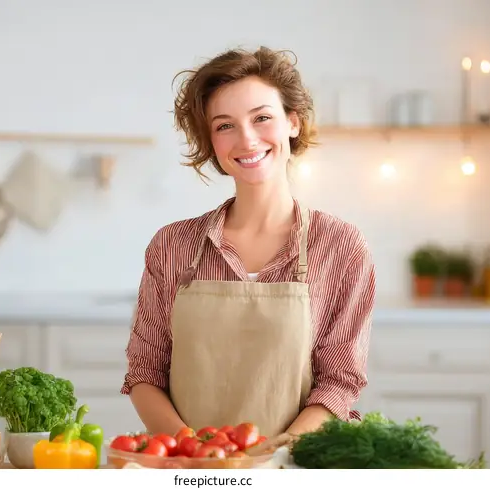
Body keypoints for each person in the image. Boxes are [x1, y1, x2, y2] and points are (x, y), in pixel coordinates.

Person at [120, 46, 376, 438]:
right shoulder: (173, 245)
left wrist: (272, 458)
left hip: (291, 468)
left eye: (262, 118)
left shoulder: (340, 246)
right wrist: (199, 455)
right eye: (225, 125)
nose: (247, 139)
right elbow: (144, 374)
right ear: (211, 140)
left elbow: (339, 383)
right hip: (192, 471)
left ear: (293, 122)